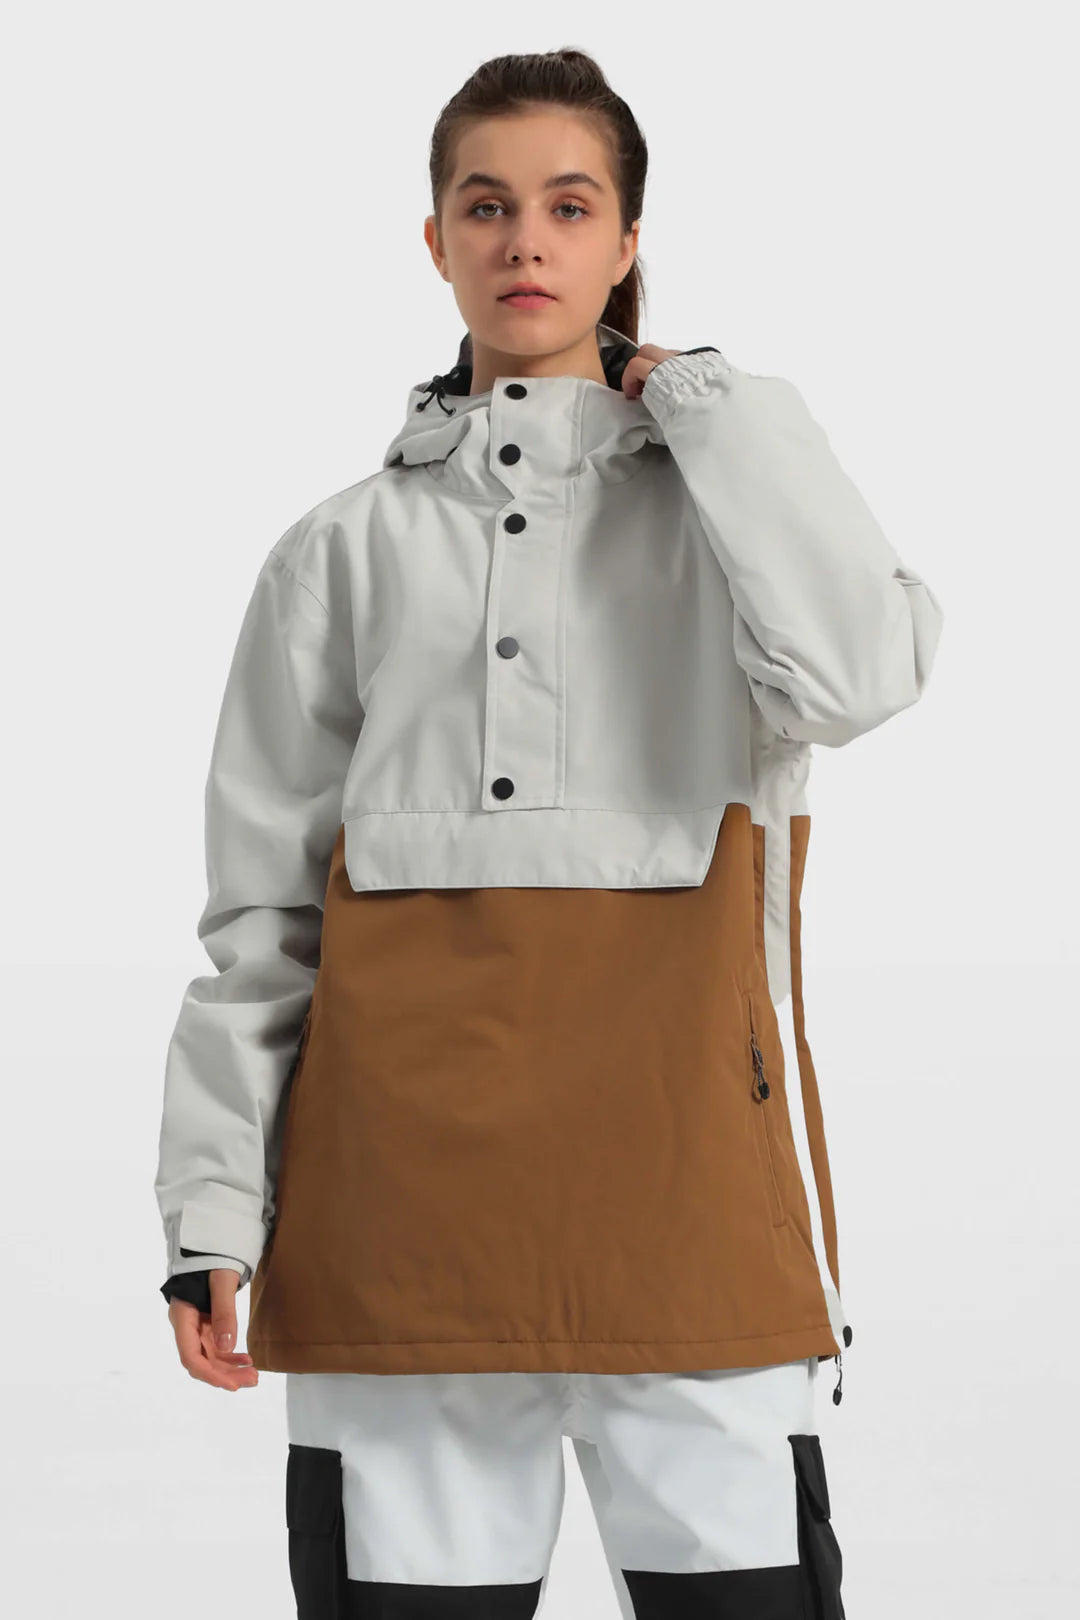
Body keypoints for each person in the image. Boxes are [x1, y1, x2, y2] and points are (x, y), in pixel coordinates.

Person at [155, 45, 943, 1619]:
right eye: (487, 204)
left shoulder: (730, 518)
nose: (525, 240)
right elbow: (262, 924)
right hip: (396, 1249)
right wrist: (212, 1215)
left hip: (697, 1239)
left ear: (628, 241)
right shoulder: (338, 556)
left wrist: (706, 404)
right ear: (435, 239)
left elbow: (862, 674)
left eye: (570, 206)